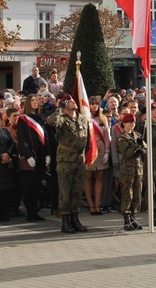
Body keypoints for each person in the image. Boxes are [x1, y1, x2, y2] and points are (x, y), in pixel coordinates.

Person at [47, 95, 90, 233]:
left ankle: (75, 219)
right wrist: (60, 108)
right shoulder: (62, 119)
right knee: (65, 191)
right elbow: (51, 121)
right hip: (66, 159)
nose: (73, 102)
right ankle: (65, 221)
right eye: (70, 101)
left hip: (79, 158)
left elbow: (87, 137)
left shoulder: (81, 118)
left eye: (73, 100)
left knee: (77, 191)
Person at [17, 95, 50, 222]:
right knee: (28, 187)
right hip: (29, 157)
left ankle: (35, 211)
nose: (35, 102)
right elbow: (22, 139)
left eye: (37, 100)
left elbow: (45, 137)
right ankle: (30, 212)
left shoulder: (40, 119)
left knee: (37, 187)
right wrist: (28, 156)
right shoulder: (23, 119)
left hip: (40, 157)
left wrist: (47, 154)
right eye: (33, 100)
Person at [116, 113, 146, 231]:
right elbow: (127, 153)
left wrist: (142, 150)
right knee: (127, 194)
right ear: (124, 123)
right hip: (127, 170)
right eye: (129, 122)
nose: (132, 124)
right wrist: (136, 146)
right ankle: (126, 220)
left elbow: (145, 148)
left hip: (138, 169)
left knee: (137, 194)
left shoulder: (137, 135)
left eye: (133, 122)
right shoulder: (121, 138)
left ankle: (133, 217)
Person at [84, 96, 110, 215]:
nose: (94, 106)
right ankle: (90, 204)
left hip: (101, 149)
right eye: (92, 104)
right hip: (89, 149)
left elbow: (106, 136)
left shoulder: (102, 118)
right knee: (88, 178)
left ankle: (97, 204)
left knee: (100, 177)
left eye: (96, 104)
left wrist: (106, 152)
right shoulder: (85, 118)